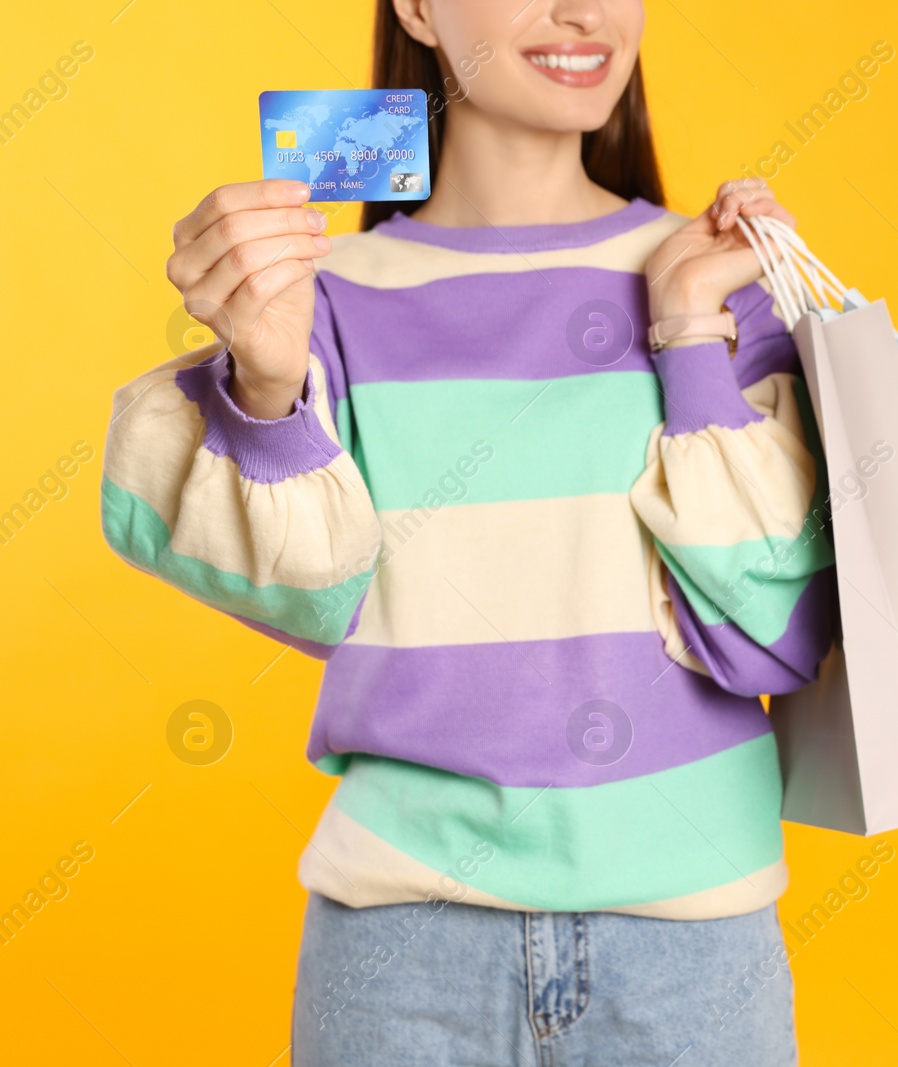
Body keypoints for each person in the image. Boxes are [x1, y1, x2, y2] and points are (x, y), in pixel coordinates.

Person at [99, 1, 837, 1063]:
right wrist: (264, 385)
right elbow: (313, 595)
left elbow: (772, 633)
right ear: (415, 7)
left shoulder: (719, 280)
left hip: (689, 958)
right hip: (400, 951)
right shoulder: (326, 303)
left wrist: (685, 336)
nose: (582, 11)